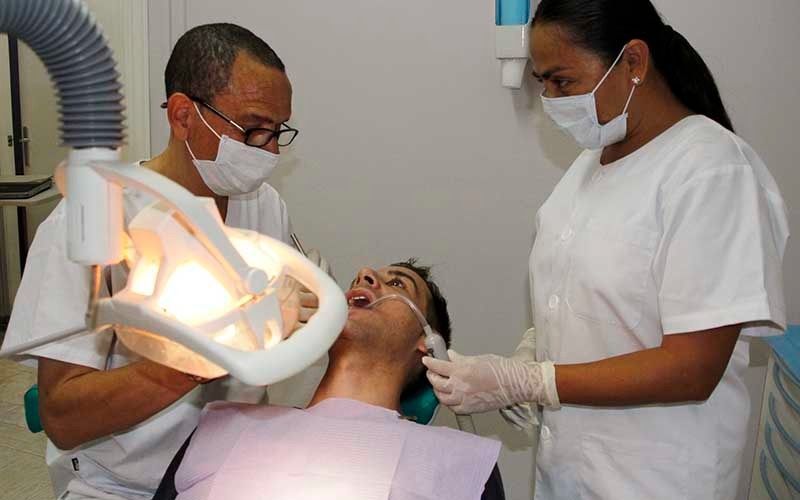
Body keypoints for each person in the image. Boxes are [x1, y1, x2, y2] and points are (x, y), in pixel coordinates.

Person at [423, 1, 788, 499]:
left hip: (657, 481)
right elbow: (593, 302)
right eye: (543, 83)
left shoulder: (712, 171)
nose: (550, 101)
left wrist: (534, 381)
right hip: (572, 474)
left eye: (562, 81)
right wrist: (534, 352)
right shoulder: (590, 165)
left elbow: (693, 367)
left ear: (633, 62)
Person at [1, 23, 299, 500]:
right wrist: (195, 360)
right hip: (121, 484)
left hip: (233, 467)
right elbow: (62, 416)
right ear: (182, 115)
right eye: (254, 129)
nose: (271, 150)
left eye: (278, 130)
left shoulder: (263, 205)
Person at [151, 260, 503, 500]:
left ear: (426, 343)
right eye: (357, 280)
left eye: (397, 283)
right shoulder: (226, 426)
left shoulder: (461, 462)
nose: (364, 275)